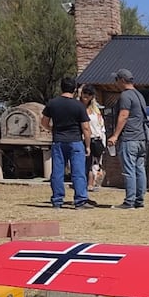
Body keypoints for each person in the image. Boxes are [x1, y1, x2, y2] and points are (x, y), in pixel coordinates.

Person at [40, 76, 92, 209]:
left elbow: (44, 122)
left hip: (58, 141)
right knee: (78, 172)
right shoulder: (79, 106)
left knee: (57, 171)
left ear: (61, 87)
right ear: (74, 89)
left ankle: (57, 200)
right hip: (75, 141)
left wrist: (53, 129)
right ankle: (80, 200)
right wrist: (87, 145)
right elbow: (86, 128)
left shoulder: (52, 103)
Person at [106, 68, 149, 209]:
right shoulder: (139, 95)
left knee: (129, 170)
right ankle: (139, 200)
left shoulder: (125, 95)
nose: (116, 83)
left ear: (122, 80)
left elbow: (124, 115)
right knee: (140, 169)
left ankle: (129, 201)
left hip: (129, 138)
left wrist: (115, 135)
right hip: (141, 138)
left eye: (117, 80)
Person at [79, 85, 106, 192]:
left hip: (96, 138)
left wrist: (102, 139)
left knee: (94, 164)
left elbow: (101, 125)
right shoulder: (78, 107)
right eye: (85, 92)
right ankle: (83, 183)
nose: (86, 95)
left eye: (89, 94)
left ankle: (91, 184)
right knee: (84, 163)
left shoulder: (95, 110)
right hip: (81, 138)